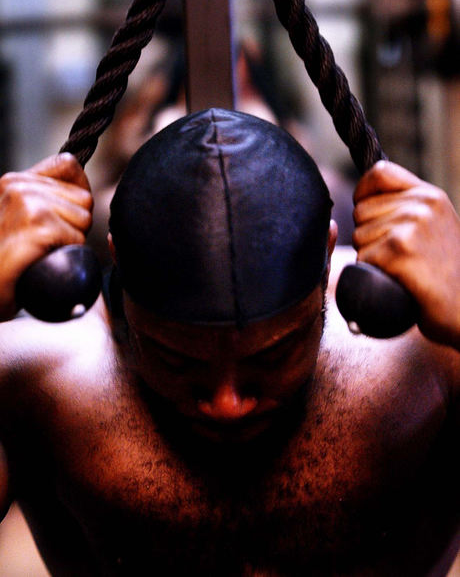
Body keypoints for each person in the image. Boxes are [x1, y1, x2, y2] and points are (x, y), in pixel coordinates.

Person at [0, 107, 458, 576]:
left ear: (327, 259)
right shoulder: (37, 378)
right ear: (117, 266)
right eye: (177, 359)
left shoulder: (429, 363)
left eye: (274, 354)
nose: (227, 404)